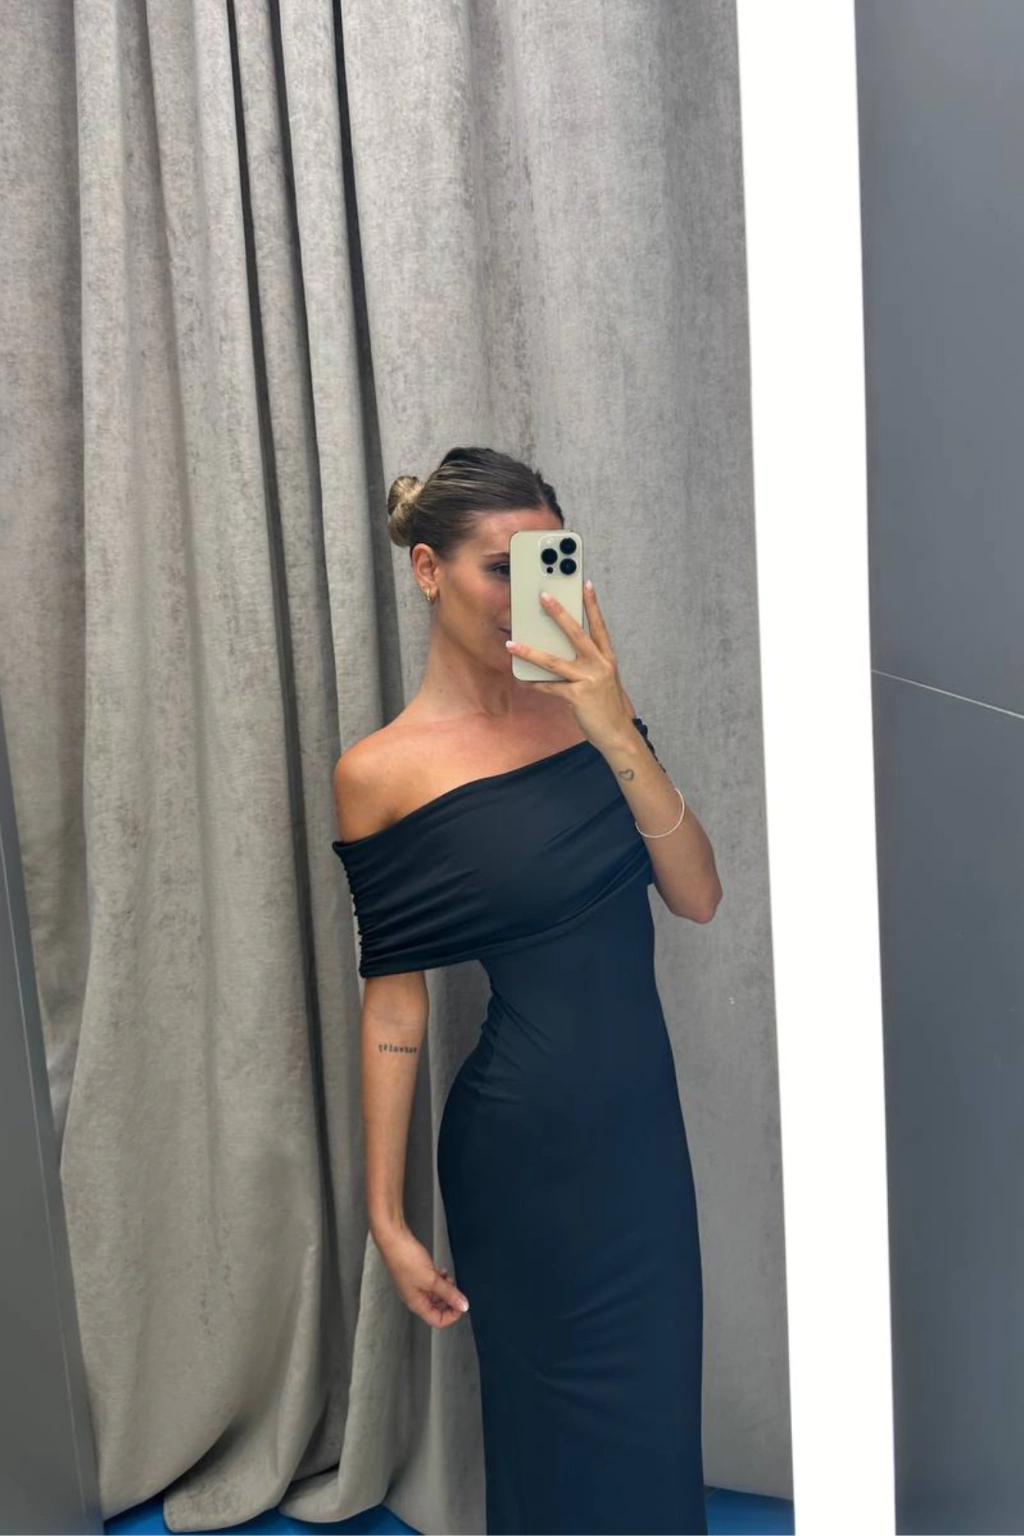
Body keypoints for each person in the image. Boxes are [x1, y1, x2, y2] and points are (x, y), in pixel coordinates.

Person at [331, 446, 722, 1535]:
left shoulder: (590, 713)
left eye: (549, 559)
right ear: (427, 571)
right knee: (546, 1444)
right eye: (500, 566)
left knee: (656, 1434)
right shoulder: (382, 772)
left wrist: (611, 721)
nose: (526, 589)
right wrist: (386, 1215)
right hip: (521, 1160)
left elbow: (697, 896)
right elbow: (395, 1000)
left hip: (643, 1144)